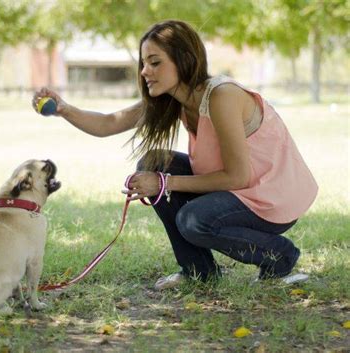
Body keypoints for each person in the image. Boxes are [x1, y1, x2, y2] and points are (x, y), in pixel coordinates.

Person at [33, 20, 318, 290]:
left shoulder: (222, 96)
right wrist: (63, 109)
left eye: (155, 62)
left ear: (184, 60)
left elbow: (237, 176)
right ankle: (199, 272)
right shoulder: (172, 99)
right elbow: (109, 123)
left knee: (193, 219)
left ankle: (280, 256)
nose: (145, 71)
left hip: (268, 197)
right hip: (238, 190)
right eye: (144, 63)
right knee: (154, 162)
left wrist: (164, 184)